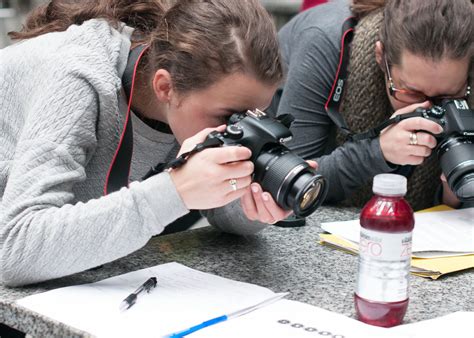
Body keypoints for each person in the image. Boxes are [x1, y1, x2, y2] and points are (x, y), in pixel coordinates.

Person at [0, 0, 302, 286]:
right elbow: (16, 249)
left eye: (254, 116)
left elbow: (222, 215)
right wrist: (174, 191)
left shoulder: (193, 95)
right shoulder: (80, 77)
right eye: (229, 116)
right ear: (165, 87)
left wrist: (252, 206)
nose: (238, 129)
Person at [268, 0, 473, 211]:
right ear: (380, 56)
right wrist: (377, 152)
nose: (427, 109)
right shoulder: (323, 42)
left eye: (447, 97)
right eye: (411, 93)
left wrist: (454, 194)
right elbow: (289, 180)